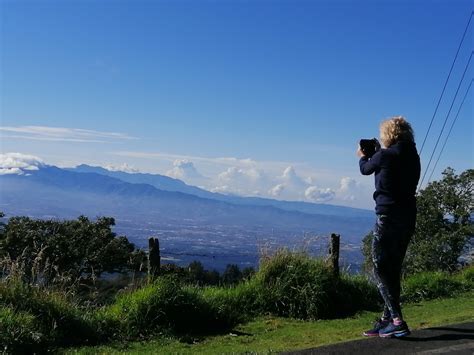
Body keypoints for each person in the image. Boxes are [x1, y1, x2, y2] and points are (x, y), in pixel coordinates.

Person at [357, 116, 421, 338]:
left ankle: (397, 320)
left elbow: (365, 169)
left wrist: (364, 155)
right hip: (408, 218)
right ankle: (386, 319)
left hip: (388, 217)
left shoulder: (384, 155)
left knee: (380, 269)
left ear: (389, 134)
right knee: (392, 269)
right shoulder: (413, 157)